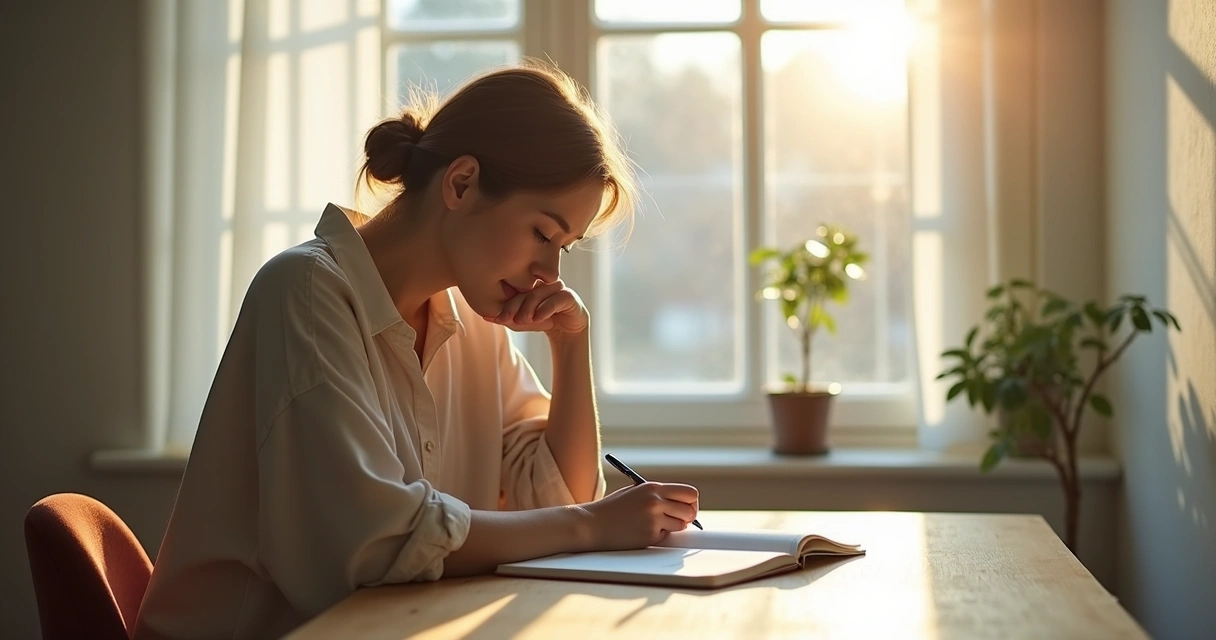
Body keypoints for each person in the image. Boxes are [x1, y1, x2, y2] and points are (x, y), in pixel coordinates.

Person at [133, 61, 700, 640]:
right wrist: (588, 528)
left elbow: (558, 494)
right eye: (543, 234)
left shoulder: (471, 323)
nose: (547, 273)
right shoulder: (306, 292)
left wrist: (571, 347)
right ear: (461, 183)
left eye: (565, 248)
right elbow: (374, 545)